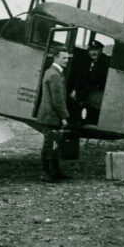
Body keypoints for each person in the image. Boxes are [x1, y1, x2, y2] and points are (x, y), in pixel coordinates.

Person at [38, 49, 72, 182]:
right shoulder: (55, 75)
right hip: (51, 116)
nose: (67, 60)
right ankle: (45, 172)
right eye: (64, 58)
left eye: (68, 58)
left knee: (53, 144)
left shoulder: (51, 72)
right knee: (50, 144)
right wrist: (64, 116)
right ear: (56, 58)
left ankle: (55, 172)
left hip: (49, 115)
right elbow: (58, 100)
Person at [74, 39, 110, 123]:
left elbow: (100, 81)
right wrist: (75, 89)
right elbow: (80, 76)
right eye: (91, 50)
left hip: (97, 93)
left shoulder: (105, 62)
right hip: (86, 91)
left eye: (96, 50)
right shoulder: (86, 60)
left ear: (101, 51)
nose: (93, 53)